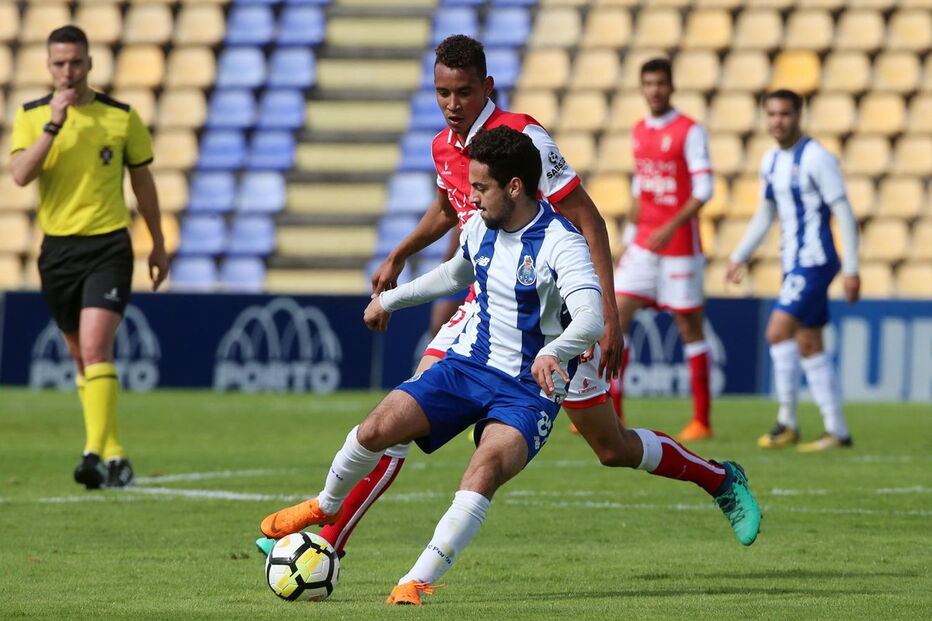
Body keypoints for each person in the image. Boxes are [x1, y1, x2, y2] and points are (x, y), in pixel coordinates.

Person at [258, 127, 762, 605]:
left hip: (533, 382)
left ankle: (416, 581)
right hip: (469, 363)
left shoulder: (562, 243)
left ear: (515, 186)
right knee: (377, 428)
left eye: (480, 187)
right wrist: (391, 301)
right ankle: (326, 505)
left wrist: (552, 352)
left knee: (559, 457)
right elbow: (454, 273)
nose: (470, 198)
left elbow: (589, 318)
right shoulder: (479, 224)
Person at [311, 35, 627, 557]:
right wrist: (399, 254)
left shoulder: (524, 137)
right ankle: (328, 538)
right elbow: (447, 210)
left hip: (551, 316)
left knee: (612, 447)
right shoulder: (443, 145)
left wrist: (608, 314)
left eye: (462, 92)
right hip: (483, 307)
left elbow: (587, 218)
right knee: (397, 415)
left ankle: (717, 479)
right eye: (442, 93)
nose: (452, 105)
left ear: (487, 87)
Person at [9, 25, 168, 488]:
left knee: (97, 346)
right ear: (48, 66)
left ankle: (92, 453)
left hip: (108, 246)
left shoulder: (120, 117)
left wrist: (157, 242)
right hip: (57, 250)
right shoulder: (31, 115)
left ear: (90, 63)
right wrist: (53, 126)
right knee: (81, 359)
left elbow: (143, 182)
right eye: (59, 63)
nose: (68, 71)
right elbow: (20, 174)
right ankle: (116, 456)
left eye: (76, 62)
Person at [727, 89, 859, 451]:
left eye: (784, 114)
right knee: (809, 342)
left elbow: (844, 212)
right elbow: (766, 213)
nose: (777, 122)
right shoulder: (770, 160)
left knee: (776, 331)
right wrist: (740, 254)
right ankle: (837, 431)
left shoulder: (817, 158)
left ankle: (786, 422)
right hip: (793, 262)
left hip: (815, 260)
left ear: (798, 116)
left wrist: (852, 268)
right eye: (771, 115)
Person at [612, 57, 716, 442]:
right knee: (616, 317)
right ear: (642, 88)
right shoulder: (639, 131)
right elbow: (642, 187)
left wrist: (670, 226)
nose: (654, 90)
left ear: (671, 87)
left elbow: (705, 190)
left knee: (689, 328)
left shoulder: (690, 131)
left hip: (680, 248)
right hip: (643, 245)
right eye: (648, 83)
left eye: (660, 83)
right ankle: (612, 415)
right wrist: (628, 237)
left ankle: (702, 420)